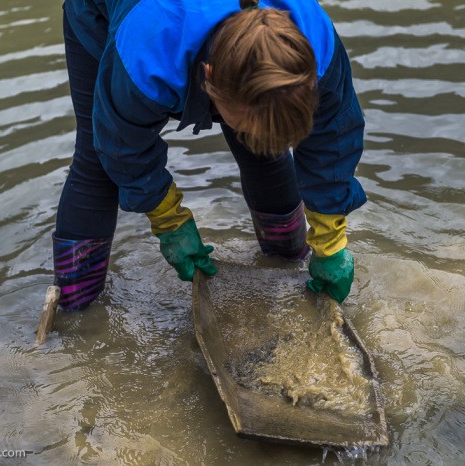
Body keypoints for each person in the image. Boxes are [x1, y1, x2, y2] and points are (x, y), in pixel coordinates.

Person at [53, 0, 366, 311]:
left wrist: (330, 238)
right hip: (113, 17)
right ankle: (76, 315)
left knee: (263, 149)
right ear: (209, 77)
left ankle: (287, 265)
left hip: (191, 40)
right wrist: (169, 221)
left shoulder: (315, 41)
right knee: (96, 162)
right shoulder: (146, 52)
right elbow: (120, 146)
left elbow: (334, 139)